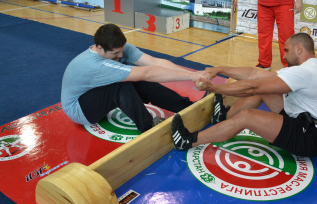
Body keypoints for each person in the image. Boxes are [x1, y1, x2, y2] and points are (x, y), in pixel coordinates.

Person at [171, 33, 317, 157]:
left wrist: (214, 88)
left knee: (247, 117)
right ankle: (223, 117)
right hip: (306, 124)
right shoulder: (308, 69)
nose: (284, 55)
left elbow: (252, 87)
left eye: (287, 50)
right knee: (266, 88)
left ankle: (188, 140)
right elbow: (255, 75)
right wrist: (220, 69)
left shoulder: (305, 72)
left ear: (299, 49)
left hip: (311, 138)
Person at [61, 23, 209, 132]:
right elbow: (148, 73)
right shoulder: (96, 65)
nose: (120, 56)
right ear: (99, 48)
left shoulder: (119, 49)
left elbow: (154, 62)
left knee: (135, 77)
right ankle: (147, 126)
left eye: (121, 51)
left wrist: (193, 75)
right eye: (115, 54)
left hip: (94, 95)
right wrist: (191, 76)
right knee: (121, 83)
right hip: (79, 110)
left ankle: (187, 107)